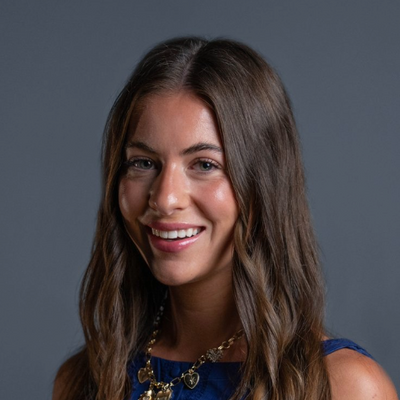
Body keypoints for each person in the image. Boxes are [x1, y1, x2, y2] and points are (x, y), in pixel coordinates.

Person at [53, 37, 398, 400]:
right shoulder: (82, 379)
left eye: (204, 165)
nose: (166, 199)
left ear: (263, 184)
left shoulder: (345, 387)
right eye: (143, 162)